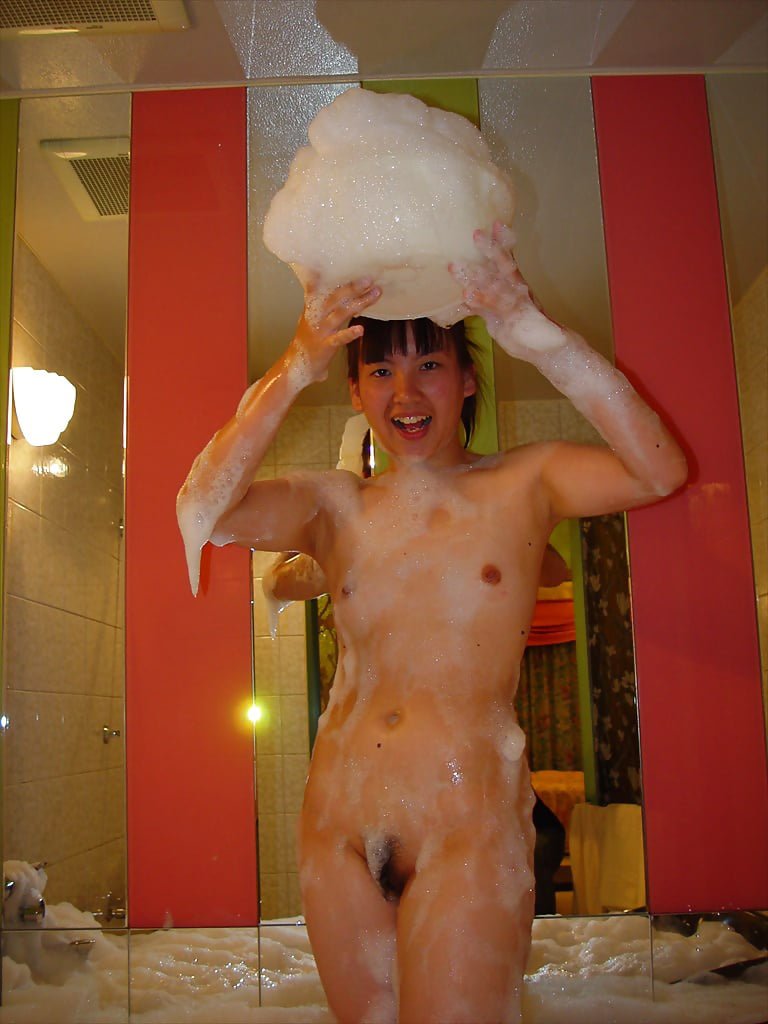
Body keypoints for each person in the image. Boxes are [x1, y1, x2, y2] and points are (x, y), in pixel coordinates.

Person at [176, 222, 687, 1024]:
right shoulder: (332, 506)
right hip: (338, 828)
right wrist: (296, 363)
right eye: (380, 370)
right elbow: (205, 508)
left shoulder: (526, 483)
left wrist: (537, 334)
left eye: (430, 365)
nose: (405, 394)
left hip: (466, 830)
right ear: (354, 391)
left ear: (469, 379)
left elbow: (659, 468)